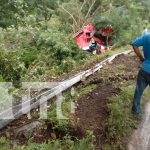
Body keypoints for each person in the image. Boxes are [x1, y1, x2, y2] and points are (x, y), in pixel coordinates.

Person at [131, 33, 150, 115]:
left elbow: (134, 44)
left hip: (144, 69)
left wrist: (141, 58)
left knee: (138, 91)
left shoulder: (147, 36)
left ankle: (135, 112)